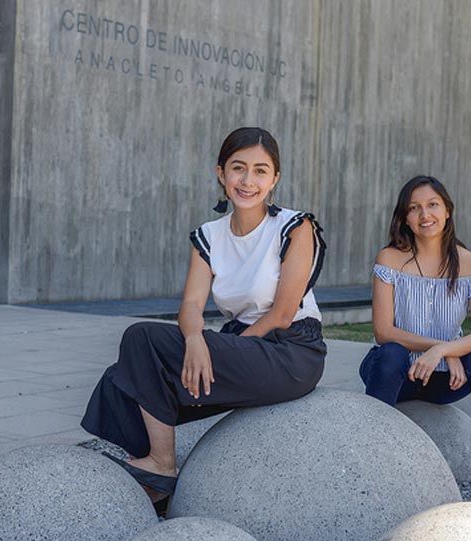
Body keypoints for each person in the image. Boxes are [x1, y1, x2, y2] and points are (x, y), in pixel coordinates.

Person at [81, 127, 327, 513]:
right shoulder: (208, 236)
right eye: (238, 168)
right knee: (121, 378)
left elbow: (282, 312)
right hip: (240, 344)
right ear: (221, 174)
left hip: (290, 350)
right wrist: (196, 340)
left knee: (140, 339)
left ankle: (163, 465)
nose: (248, 181)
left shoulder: (295, 227)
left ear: (275, 178)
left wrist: (222, 346)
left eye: (260, 171)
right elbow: (191, 306)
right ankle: (157, 486)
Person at [359, 175, 471, 511]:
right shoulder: (390, 260)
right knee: (391, 353)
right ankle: (372, 463)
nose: (424, 214)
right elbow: (384, 331)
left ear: (447, 211)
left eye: (432, 205)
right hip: (394, 375)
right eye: (414, 208)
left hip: (444, 381)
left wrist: (445, 350)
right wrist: (439, 346)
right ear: (405, 218)